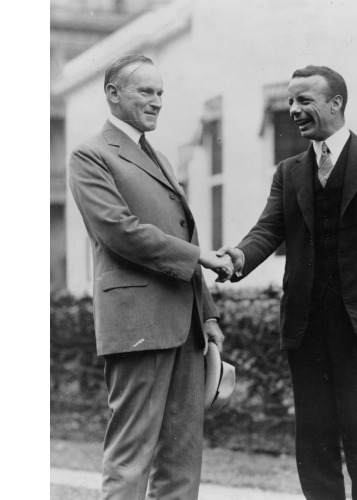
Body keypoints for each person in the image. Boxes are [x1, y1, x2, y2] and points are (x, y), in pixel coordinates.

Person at [217, 65, 357, 500]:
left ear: (336, 103)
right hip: (307, 329)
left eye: (304, 100)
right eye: (291, 101)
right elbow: (266, 231)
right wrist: (236, 257)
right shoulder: (289, 171)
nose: (293, 109)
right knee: (313, 443)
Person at [68, 54, 232, 500]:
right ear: (113, 94)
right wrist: (202, 257)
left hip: (187, 330)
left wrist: (210, 317)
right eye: (146, 91)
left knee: (182, 461)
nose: (158, 101)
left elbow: (182, 230)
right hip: (138, 325)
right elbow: (120, 231)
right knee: (131, 458)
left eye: (161, 92)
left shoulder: (156, 155)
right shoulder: (91, 155)